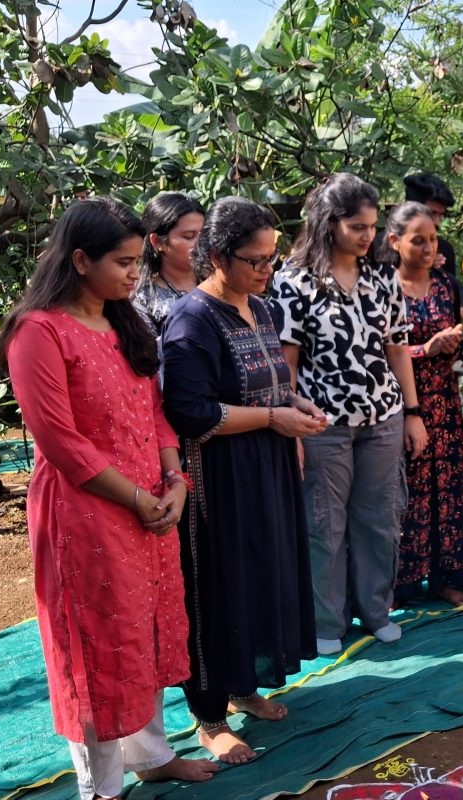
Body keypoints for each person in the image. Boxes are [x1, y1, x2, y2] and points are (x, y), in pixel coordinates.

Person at [0, 198, 218, 800]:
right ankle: (96, 788)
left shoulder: (125, 325)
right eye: (121, 262)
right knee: (92, 642)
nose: (133, 273)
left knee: (143, 629)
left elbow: (155, 414)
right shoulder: (38, 331)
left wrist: (176, 481)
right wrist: (138, 496)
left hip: (148, 506)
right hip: (86, 513)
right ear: (78, 260)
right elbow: (60, 441)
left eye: (135, 261)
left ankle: (150, 756)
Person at [161, 197, 324, 764]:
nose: (266, 270)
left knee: (261, 578)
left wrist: (296, 411)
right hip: (220, 478)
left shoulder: (265, 308)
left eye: (272, 259)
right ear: (216, 256)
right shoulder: (191, 320)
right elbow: (192, 412)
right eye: (255, 261)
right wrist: (274, 418)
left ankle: (243, 687)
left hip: (268, 465)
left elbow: (272, 381)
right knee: (218, 588)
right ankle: (209, 717)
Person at [269, 174, 427, 655]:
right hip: (322, 424)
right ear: (328, 222)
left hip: (383, 416)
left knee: (379, 518)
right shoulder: (293, 281)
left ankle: (376, 610)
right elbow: (287, 363)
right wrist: (293, 428)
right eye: (358, 227)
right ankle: (326, 621)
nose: (368, 236)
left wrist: (413, 412)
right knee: (324, 525)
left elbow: (397, 349)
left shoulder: (382, 277)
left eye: (373, 227)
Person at [382, 202, 463, 607]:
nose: (428, 247)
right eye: (417, 240)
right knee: (409, 495)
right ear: (394, 241)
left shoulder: (444, 284)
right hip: (404, 406)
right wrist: (426, 348)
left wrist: (455, 342)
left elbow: (459, 337)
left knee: (450, 491)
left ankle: (445, 577)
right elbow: (384, 349)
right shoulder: (382, 287)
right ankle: (402, 583)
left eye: (433, 239)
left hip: (445, 403)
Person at [132, 192, 205, 335]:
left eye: (204, 235)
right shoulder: (143, 300)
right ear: (157, 241)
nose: (200, 243)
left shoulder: (221, 284)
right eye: (189, 236)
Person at [404, 172, 461, 291]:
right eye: (431, 213)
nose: (436, 222)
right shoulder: (379, 245)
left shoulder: (445, 250)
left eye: (440, 215)